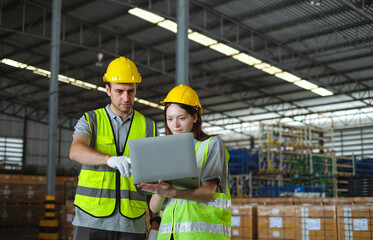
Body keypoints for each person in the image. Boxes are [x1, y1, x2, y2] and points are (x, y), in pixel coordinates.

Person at [69, 56, 160, 240]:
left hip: (131, 223)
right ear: (108, 90)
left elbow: (152, 178)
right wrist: (109, 160)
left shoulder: (148, 126)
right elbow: (76, 150)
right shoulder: (91, 120)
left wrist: (156, 222)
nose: (126, 98)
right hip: (90, 221)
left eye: (130, 91)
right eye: (119, 91)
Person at [137, 84, 231, 240]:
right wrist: (160, 190)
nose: (175, 124)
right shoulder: (165, 151)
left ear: (194, 117)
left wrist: (173, 192)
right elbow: (154, 207)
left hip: (201, 235)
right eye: (170, 119)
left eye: (181, 118)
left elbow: (208, 193)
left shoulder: (211, 144)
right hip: (170, 235)